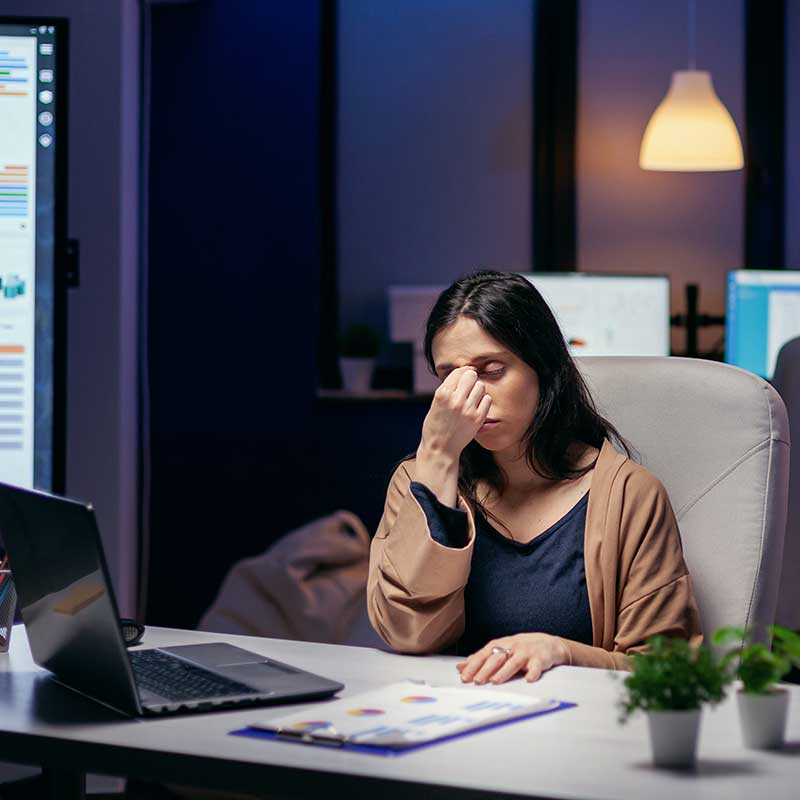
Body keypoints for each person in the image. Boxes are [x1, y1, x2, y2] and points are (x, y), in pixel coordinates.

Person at [367, 270, 702, 685]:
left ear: (543, 369)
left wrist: (561, 652)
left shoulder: (630, 494)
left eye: (490, 370)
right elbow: (408, 636)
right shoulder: (417, 482)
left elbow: (669, 668)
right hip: (450, 725)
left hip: (579, 732)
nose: (468, 394)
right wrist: (437, 459)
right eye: (450, 376)